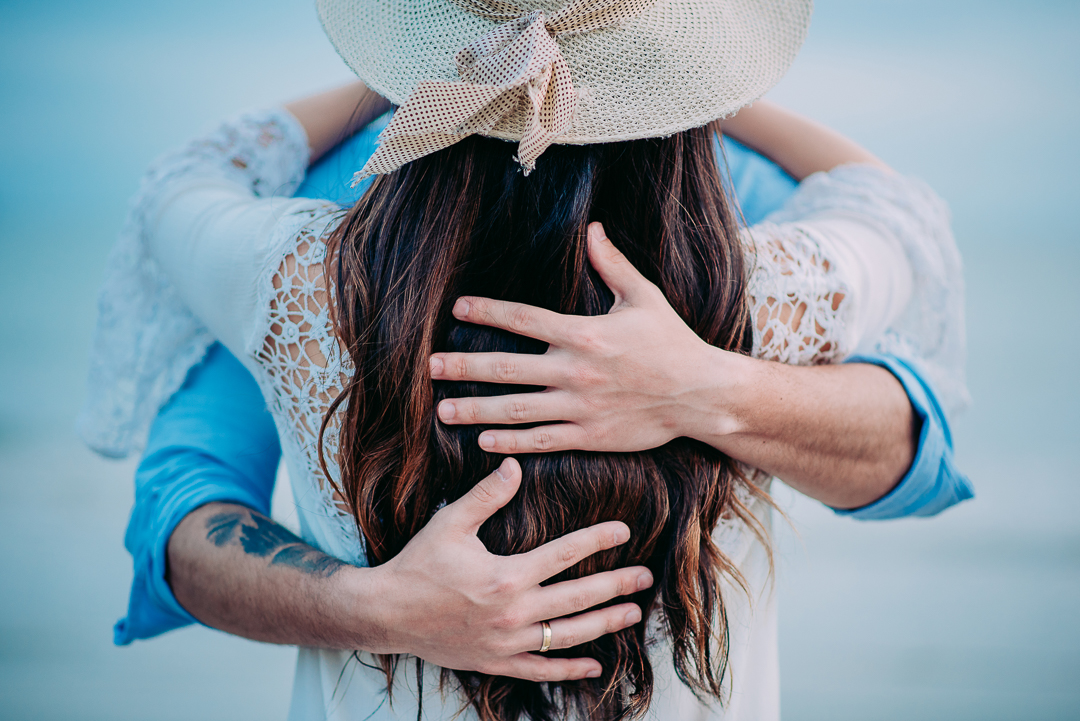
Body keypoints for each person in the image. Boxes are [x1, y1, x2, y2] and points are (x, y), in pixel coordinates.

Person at [80, 0, 971, 718]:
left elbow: (180, 187)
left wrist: (424, 73)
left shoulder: (296, 274)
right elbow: (897, 218)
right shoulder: (753, 279)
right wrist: (711, 373)